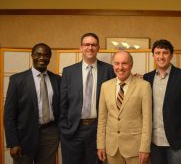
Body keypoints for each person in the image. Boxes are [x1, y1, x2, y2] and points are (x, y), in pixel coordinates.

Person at [59, 32, 115, 164]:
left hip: (98, 131)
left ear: (98, 48)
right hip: (73, 130)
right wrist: (64, 127)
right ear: (81, 47)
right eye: (86, 44)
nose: (90, 48)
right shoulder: (69, 71)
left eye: (93, 45)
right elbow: (63, 103)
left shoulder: (109, 70)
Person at [4, 43, 61, 164]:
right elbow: (9, 115)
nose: (42, 58)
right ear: (32, 56)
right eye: (38, 54)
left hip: (50, 135)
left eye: (46, 55)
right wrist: (13, 142)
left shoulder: (57, 80)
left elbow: (61, 109)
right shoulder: (17, 80)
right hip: (24, 136)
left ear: (50, 57)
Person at [97, 51, 152, 164]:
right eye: (117, 63)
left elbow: (147, 120)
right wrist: (100, 145)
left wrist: (145, 147)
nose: (120, 67)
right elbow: (102, 119)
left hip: (136, 149)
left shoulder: (144, 86)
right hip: (112, 148)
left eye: (124, 63)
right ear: (113, 65)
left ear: (131, 65)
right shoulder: (105, 86)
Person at [143, 39, 181, 164]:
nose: (161, 56)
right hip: (154, 141)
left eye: (165, 53)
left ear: (171, 55)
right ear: (153, 56)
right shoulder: (146, 78)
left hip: (176, 141)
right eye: (158, 53)